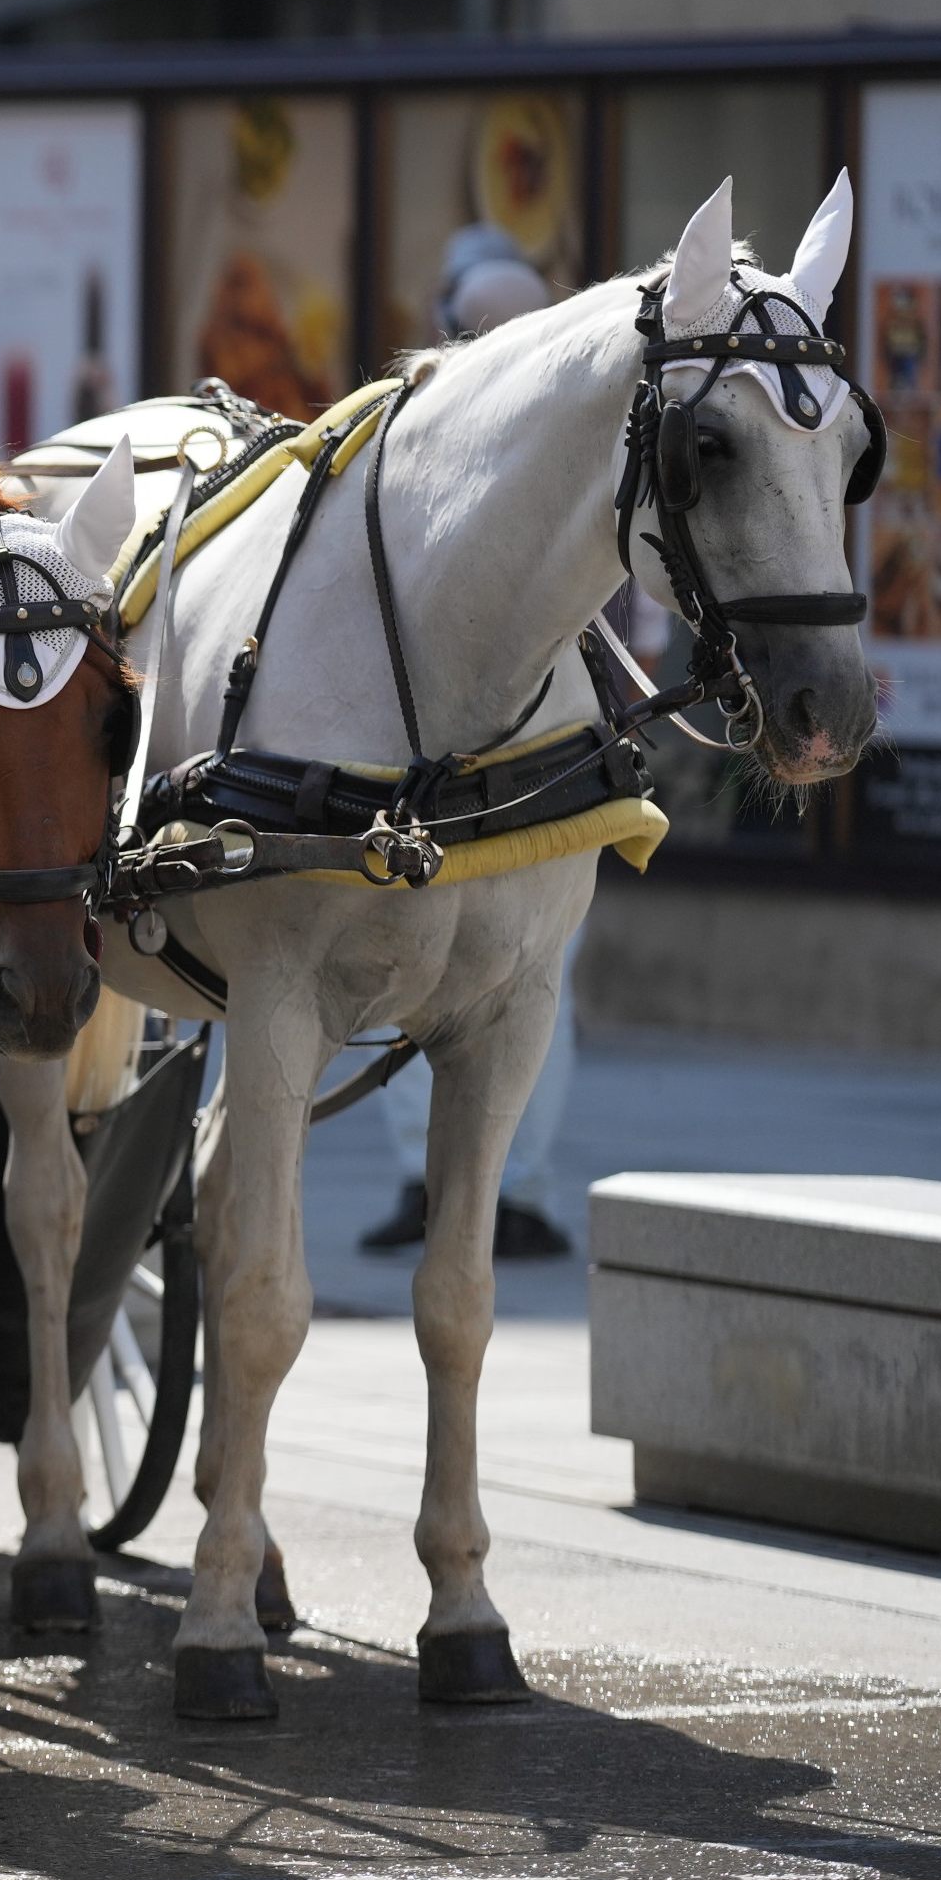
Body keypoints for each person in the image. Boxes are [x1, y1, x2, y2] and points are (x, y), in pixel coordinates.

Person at [360, 226, 575, 1261]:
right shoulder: (424, 437)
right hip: (444, 746)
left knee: (526, 969)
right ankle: (451, 1182)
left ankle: (500, 1186)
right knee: (422, 960)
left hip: (524, 742)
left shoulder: (553, 445)